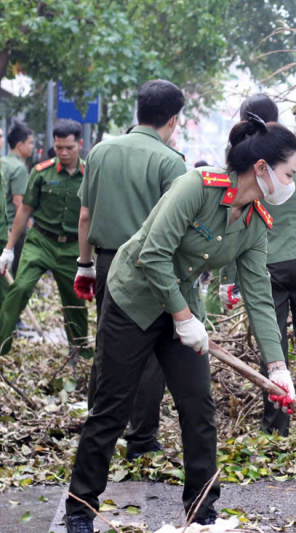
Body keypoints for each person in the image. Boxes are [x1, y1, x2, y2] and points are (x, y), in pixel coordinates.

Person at [64, 117, 296, 533]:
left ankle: (202, 510)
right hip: (133, 299)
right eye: (288, 174)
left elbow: (259, 294)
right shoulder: (197, 186)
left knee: (198, 409)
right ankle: (80, 508)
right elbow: (152, 254)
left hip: (180, 309)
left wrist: (277, 367)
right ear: (261, 168)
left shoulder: (255, 222)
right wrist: (184, 318)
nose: (290, 183)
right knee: (113, 407)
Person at [75, 79, 187, 460]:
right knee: (152, 350)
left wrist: (85, 265)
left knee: (109, 345)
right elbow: (180, 227)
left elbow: (86, 214)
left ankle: (98, 427)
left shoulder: (101, 152)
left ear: (138, 110)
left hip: (107, 262)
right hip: (150, 267)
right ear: (173, 119)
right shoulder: (170, 161)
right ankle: (141, 438)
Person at [219, 94, 296, 436]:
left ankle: (275, 426)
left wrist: (228, 277)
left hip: (265, 263)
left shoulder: (242, 165)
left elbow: (231, 220)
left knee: (273, 345)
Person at [0, 119, 90, 357]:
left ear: (79, 144)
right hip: (40, 242)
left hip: (72, 249)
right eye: (59, 147)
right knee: (19, 289)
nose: (63, 152)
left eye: (69, 148)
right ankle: (1, 346)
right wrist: (8, 250)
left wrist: (90, 259)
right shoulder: (41, 173)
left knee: (76, 304)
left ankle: (80, 355)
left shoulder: (91, 175)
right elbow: (25, 209)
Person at [2, 123, 33, 277]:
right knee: (14, 272)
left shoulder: (3, 163)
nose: (32, 147)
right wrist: (30, 227)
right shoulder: (19, 168)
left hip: (3, 226)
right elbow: (18, 202)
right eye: (30, 143)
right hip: (14, 228)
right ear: (20, 145)